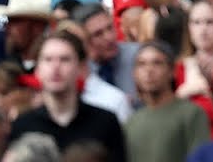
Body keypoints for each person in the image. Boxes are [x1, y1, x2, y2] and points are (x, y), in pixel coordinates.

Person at [9, 31, 128, 161]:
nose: (56, 67)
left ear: (80, 68)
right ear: (37, 69)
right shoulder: (22, 126)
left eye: (64, 59)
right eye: (48, 59)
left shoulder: (106, 122)